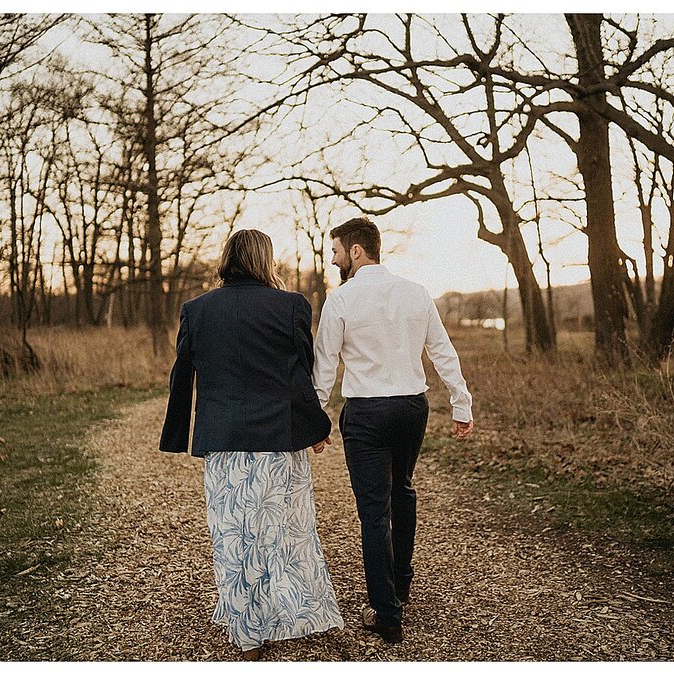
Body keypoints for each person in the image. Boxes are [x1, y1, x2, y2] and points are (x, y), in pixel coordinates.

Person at [159, 229, 344, 661]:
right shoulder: (292, 306)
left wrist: (177, 435)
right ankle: (290, 613)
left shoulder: (197, 310)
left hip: (224, 443)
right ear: (266, 260)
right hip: (279, 440)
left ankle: (248, 633)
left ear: (228, 259)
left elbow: (181, 374)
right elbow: (300, 377)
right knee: (285, 533)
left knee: (233, 536)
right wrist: (317, 426)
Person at [312, 216, 473, 644]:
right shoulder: (416, 293)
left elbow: (324, 364)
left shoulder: (340, 300)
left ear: (357, 251)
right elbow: (442, 351)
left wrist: (317, 418)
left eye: (337, 250)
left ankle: (386, 612)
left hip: (366, 413)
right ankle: (400, 581)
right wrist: (461, 403)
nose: (334, 258)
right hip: (410, 408)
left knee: (372, 510)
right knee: (401, 489)